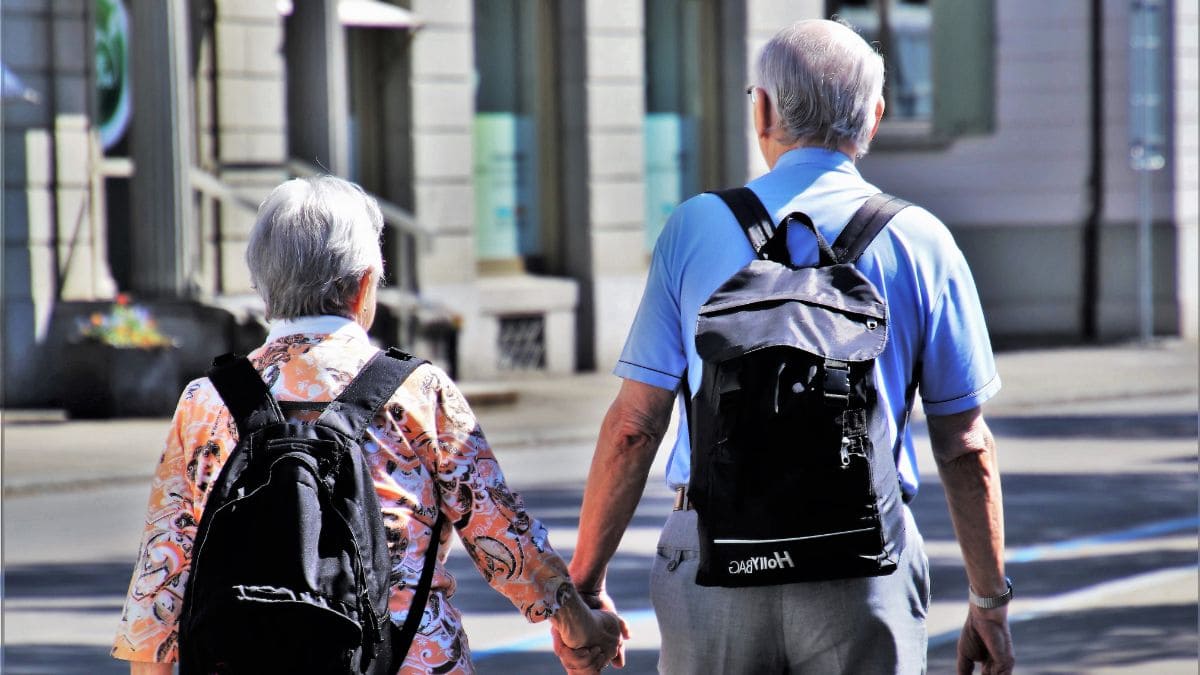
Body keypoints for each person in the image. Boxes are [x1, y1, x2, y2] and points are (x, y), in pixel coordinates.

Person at [556, 19, 1014, 675]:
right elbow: (965, 443)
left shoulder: (694, 228)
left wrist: (587, 579)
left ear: (763, 109)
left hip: (713, 558)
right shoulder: (923, 240)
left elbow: (634, 424)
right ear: (876, 116)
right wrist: (988, 600)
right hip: (862, 562)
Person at [112, 175, 623, 674]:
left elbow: (163, 567)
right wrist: (578, 625)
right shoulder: (418, 391)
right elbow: (500, 533)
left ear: (264, 290)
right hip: (407, 655)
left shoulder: (206, 402)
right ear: (362, 287)